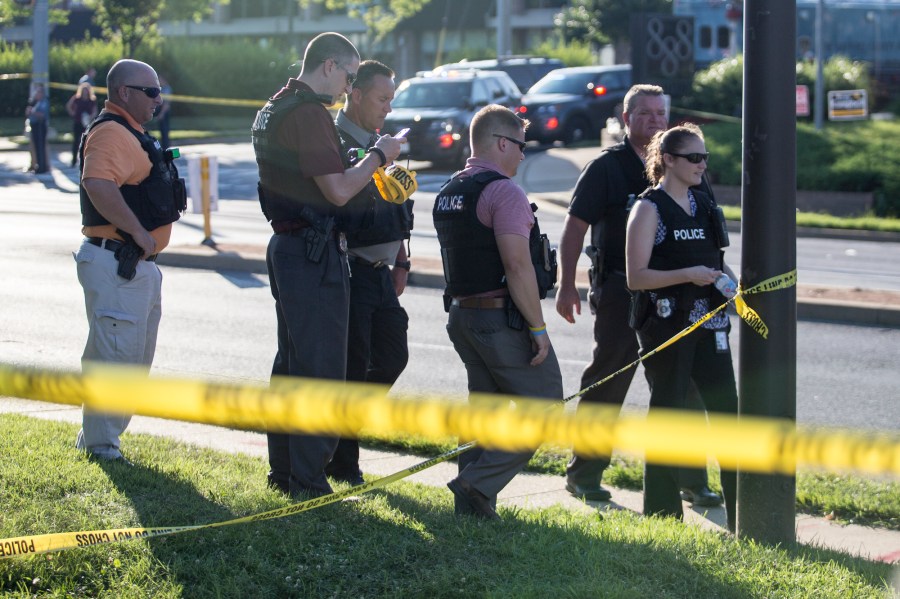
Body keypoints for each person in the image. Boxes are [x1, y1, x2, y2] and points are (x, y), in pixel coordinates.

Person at [251, 33, 403, 499]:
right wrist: (380, 156)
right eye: (351, 77)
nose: (348, 89)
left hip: (289, 245)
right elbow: (337, 190)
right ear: (331, 66)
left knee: (293, 365)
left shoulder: (275, 106)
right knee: (320, 370)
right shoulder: (310, 113)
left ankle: (286, 474)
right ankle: (310, 482)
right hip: (312, 251)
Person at [555, 84, 722, 506]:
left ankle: (689, 478)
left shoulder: (687, 164)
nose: (654, 121)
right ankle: (584, 473)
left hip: (683, 296)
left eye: (660, 113)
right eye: (644, 114)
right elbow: (574, 227)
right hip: (622, 290)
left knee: (684, 388)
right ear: (625, 119)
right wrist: (565, 283)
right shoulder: (607, 168)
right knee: (610, 378)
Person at [433, 105, 562, 520]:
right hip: (498, 317)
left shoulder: (449, 190)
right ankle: (477, 484)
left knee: (483, 410)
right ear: (502, 143)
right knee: (545, 403)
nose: (524, 155)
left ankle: (471, 509)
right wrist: (537, 328)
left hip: (462, 316)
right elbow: (518, 266)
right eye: (521, 146)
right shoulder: (505, 191)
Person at [625, 123, 738, 531]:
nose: (701, 164)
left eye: (705, 157)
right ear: (668, 160)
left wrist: (732, 286)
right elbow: (636, 277)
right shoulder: (648, 208)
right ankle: (662, 518)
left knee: (728, 417)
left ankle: (742, 516)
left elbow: (717, 258)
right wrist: (687, 273)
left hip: (712, 324)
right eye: (693, 157)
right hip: (666, 328)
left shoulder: (705, 204)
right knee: (669, 420)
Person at [74, 59, 186, 463]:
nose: (159, 99)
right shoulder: (110, 133)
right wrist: (139, 234)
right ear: (124, 93)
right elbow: (97, 183)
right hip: (117, 261)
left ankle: (98, 440)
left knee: (132, 359)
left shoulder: (133, 133)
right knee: (115, 358)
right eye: (151, 92)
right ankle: (102, 448)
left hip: (138, 266)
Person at [325, 60, 413, 486]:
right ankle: (343, 466)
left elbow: (400, 205)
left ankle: (340, 432)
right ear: (355, 94)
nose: (387, 109)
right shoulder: (335, 140)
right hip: (350, 269)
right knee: (353, 364)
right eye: (382, 99)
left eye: (391, 101)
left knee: (393, 356)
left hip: (382, 272)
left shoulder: (385, 143)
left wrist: (402, 259)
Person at [66, 82, 98, 168]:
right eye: (83, 90)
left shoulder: (92, 100)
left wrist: (90, 117)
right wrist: (73, 113)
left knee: (87, 142)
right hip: (78, 122)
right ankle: (74, 160)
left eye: (86, 91)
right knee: (76, 141)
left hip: (87, 123)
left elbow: (94, 111)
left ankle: (86, 161)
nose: (85, 92)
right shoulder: (77, 99)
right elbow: (69, 105)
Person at [26, 84, 50, 174]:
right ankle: (37, 165)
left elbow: (41, 115)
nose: (37, 94)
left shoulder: (44, 102)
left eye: (39, 92)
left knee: (41, 147)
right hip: (34, 126)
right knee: (36, 147)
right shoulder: (35, 102)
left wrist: (32, 112)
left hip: (40, 126)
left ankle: (42, 167)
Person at [154, 77, 172, 151]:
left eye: (160, 80)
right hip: (161, 111)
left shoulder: (166, 89)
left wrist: (161, 114)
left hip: (164, 112)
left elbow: (166, 104)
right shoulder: (162, 89)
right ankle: (165, 146)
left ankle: (166, 147)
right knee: (163, 130)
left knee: (164, 130)